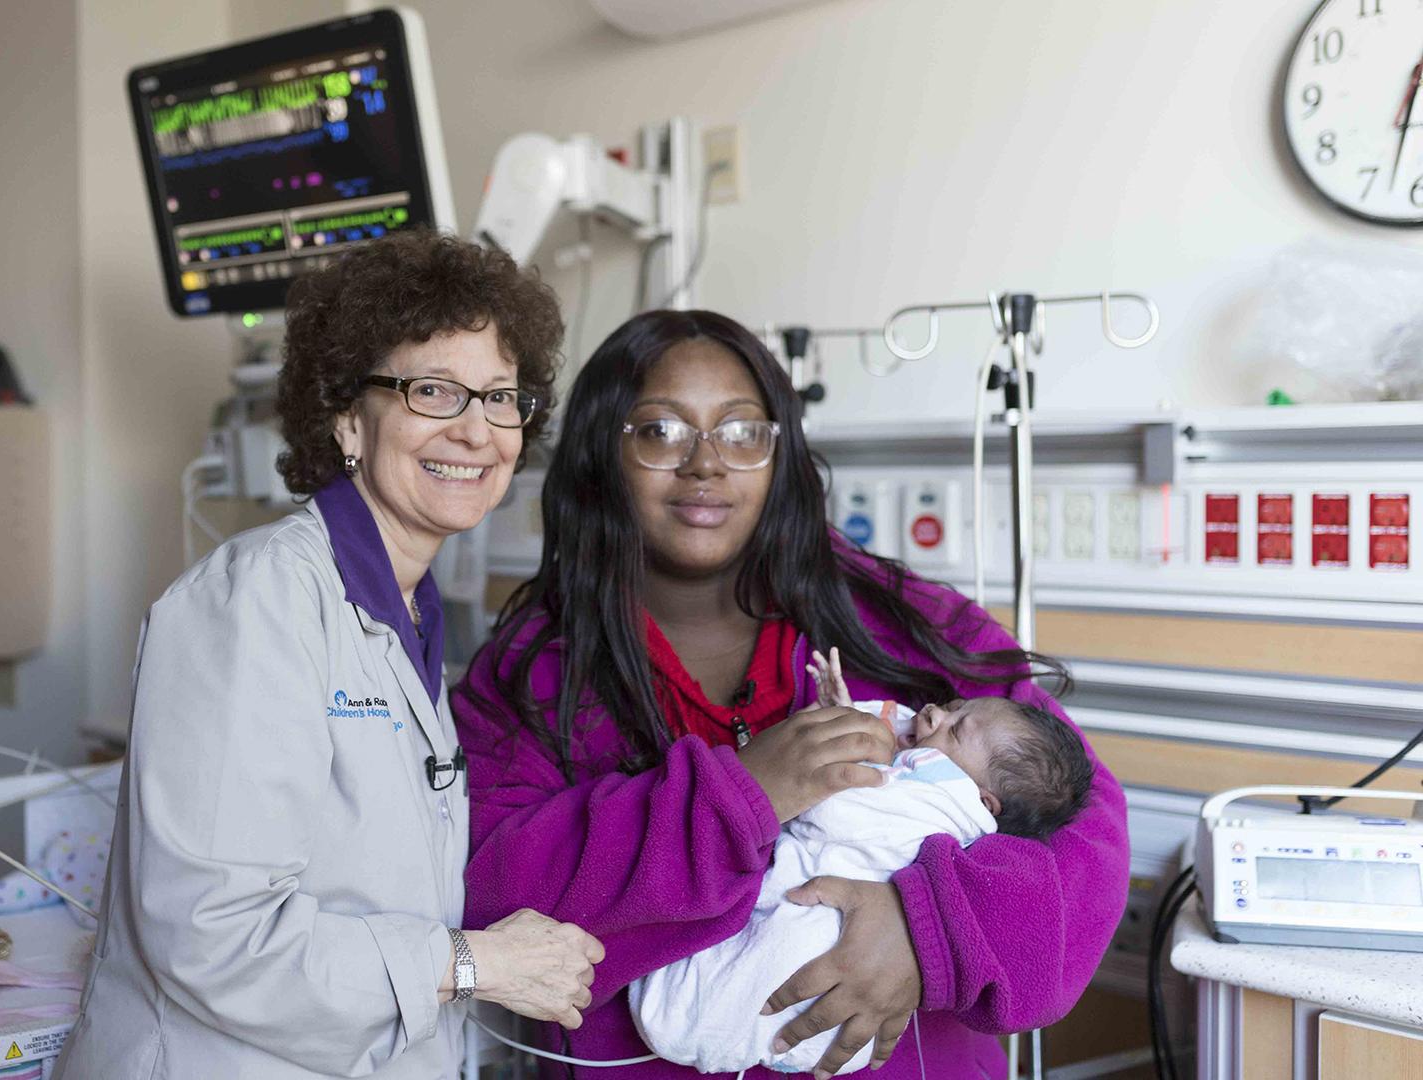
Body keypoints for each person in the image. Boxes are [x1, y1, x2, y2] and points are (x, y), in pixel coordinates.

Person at [453, 309, 1130, 1079]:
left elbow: (1086, 824)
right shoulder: (532, 679)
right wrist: (740, 796)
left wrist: (929, 932)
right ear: (601, 455)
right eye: (660, 431)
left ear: (780, 452)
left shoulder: (897, 621)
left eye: (742, 432)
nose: (706, 464)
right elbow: (488, 890)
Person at [56, 230, 604, 1080]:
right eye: (434, 390)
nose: (476, 430)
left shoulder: (412, 611)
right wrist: (474, 964)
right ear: (348, 417)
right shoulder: (254, 603)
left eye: (500, 398)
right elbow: (212, 934)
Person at [630, 649, 1097, 1075]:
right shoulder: (933, 778)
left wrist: (791, 775)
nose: (934, 712)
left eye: (954, 728)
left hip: (832, 937)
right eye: (952, 706)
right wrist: (849, 720)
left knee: (777, 963)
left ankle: (698, 1020)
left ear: (982, 800)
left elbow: (839, 809)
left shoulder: (943, 804)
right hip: (851, 1022)